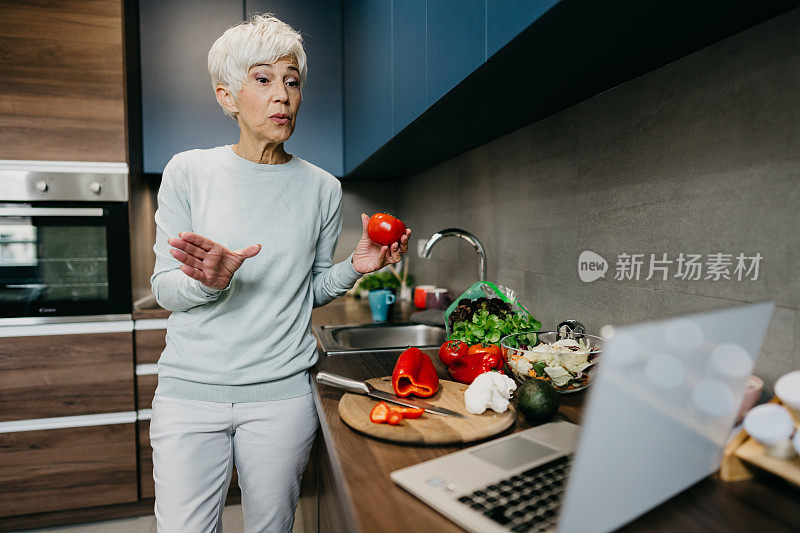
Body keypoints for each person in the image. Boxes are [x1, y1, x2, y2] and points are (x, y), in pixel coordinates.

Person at [148, 14, 410, 532]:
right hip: (189, 395)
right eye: (263, 80)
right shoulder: (188, 172)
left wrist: (353, 270)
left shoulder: (323, 188)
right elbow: (164, 290)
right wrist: (208, 281)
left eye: (292, 82)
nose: (283, 96)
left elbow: (307, 288)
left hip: (281, 397)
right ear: (227, 97)